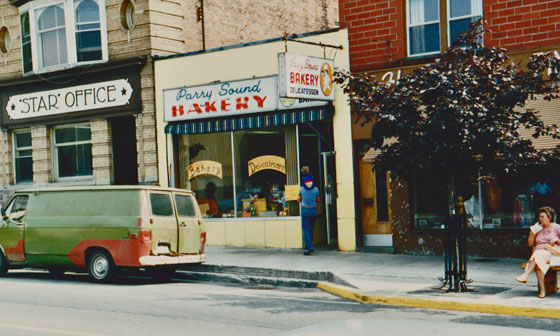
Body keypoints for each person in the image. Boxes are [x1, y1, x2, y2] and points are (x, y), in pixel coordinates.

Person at [516, 206, 560, 298]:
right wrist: (532, 234)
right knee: (539, 264)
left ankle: (526, 274)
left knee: (537, 255)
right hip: (539, 253)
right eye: (540, 217)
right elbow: (530, 244)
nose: (540, 219)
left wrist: (556, 240)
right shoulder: (538, 228)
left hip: (550, 251)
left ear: (549, 217)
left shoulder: (556, 227)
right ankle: (542, 290)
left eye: (542, 217)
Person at [297, 168, 320, 256]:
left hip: (305, 210)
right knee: (311, 229)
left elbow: (298, 200)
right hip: (313, 210)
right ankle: (310, 245)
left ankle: (309, 247)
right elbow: (318, 201)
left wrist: (300, 198)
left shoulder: (302, 189)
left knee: (306, 229)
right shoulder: (316, 189)